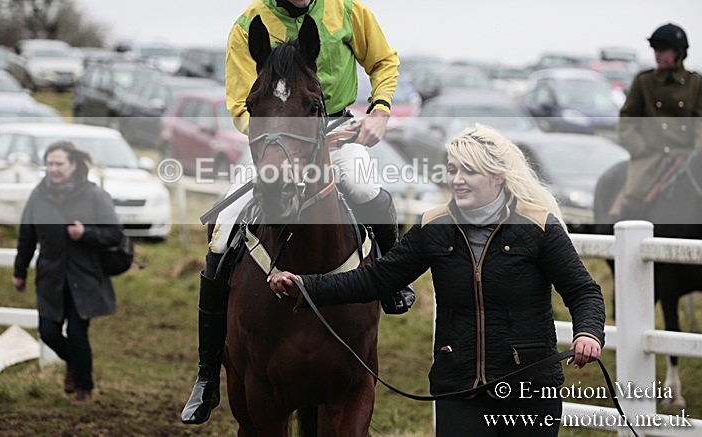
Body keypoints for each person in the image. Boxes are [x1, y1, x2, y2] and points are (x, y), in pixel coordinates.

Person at [182, 0, 408, 425]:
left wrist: (380, 111)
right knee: (221, 234)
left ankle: (391, 283)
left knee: (369, 189)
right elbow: (242, 104)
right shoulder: (248, 26)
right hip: (272, 139)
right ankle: (205, 374)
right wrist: (272, 144)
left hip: (338, 132)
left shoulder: (347, 9)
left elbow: (384, 62)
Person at [268, 124, 606, 436]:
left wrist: (588, 332)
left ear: (498, 177)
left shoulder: (538, 226)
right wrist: (306, 285)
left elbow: (583, 291)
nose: (456, 179)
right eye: (453, 169)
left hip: (528, 387)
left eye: (469, 171)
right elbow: (376, 280)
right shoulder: (434, 226)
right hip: (458, 386)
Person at [12, 141, 123, 403]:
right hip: (50, 277)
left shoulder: (94, 195)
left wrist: (86, 233)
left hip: (83, 278)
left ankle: (84, 388)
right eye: (49, 164)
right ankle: (76, 366)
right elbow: (26, 236)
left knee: (76, 332)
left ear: (73, 165)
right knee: (48, 332)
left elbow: (114, 234)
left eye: (59, 164)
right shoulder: (38, 196)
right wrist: (19, 271)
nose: (53, 169)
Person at [617, 22, 702, 220]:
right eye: (656, 50)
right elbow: (628, 120)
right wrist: (641, 148)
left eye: (663, 50)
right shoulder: (643, 82)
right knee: (633, 195)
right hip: (653, 155)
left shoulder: (695, 83)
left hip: (687, 154)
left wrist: (697, 152)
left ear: (679, 53)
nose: (658, 55)